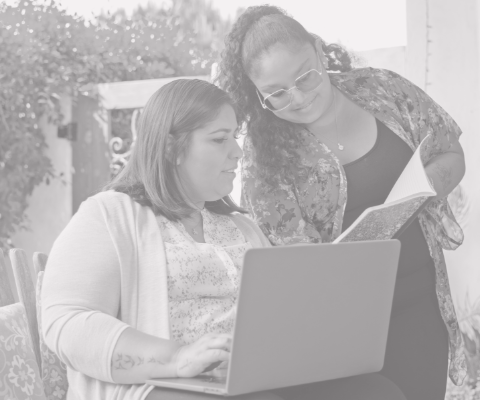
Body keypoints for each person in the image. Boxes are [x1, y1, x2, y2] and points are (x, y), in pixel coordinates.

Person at [41, 79, 407, 400]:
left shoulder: (241, 226)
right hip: (160, 385)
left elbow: (276, 318)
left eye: (235, 136)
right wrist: (177, 357)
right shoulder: (109, 215)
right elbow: (65, 322)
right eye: (219, 139)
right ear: (172, 148)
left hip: (249, 381)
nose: (237, 151)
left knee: (378, 392)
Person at [216, 5, 467, 400]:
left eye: (305, 76)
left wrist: (420, 190)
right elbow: (293, 266)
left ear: (318, 50)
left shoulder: (384, 89)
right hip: (343, 326)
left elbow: (450, 150)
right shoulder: (265, 160)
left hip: (421, 300)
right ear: (256, 92)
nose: (297, 98)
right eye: (276, 94)